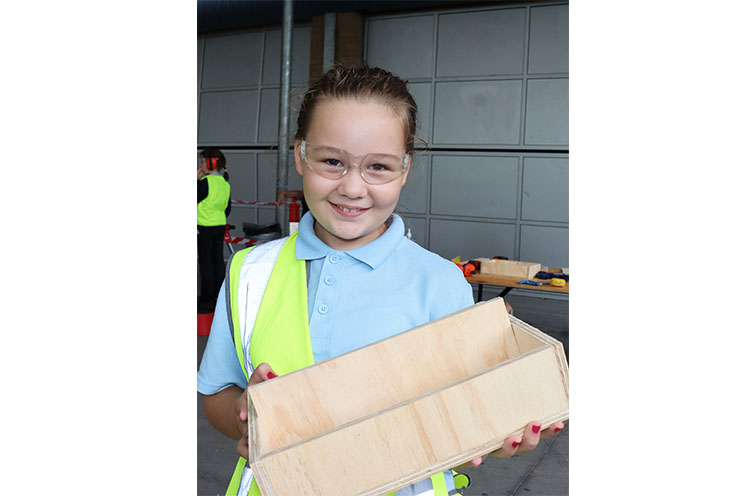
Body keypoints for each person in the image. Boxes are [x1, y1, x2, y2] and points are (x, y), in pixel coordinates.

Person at [197, 64, 564, 496]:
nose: (353, 188)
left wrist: (495, 435)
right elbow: (217, 394)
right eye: (332, 161)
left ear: (405, 169)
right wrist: (245, 415)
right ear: (300, 155)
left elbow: (457, 428)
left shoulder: (440, 284)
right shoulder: (249, 272)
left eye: (378, 167)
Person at [197, 147, 231, 314]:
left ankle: (207, 299)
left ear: (211, 163)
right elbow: (227, 209)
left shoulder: (205, 183)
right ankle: (218, 295)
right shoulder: (225, 183)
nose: (200, 165)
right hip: (219, 225)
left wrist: (196, 181)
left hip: (204, 226)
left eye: (202, 161)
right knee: (217, 260)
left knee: (206, 264)